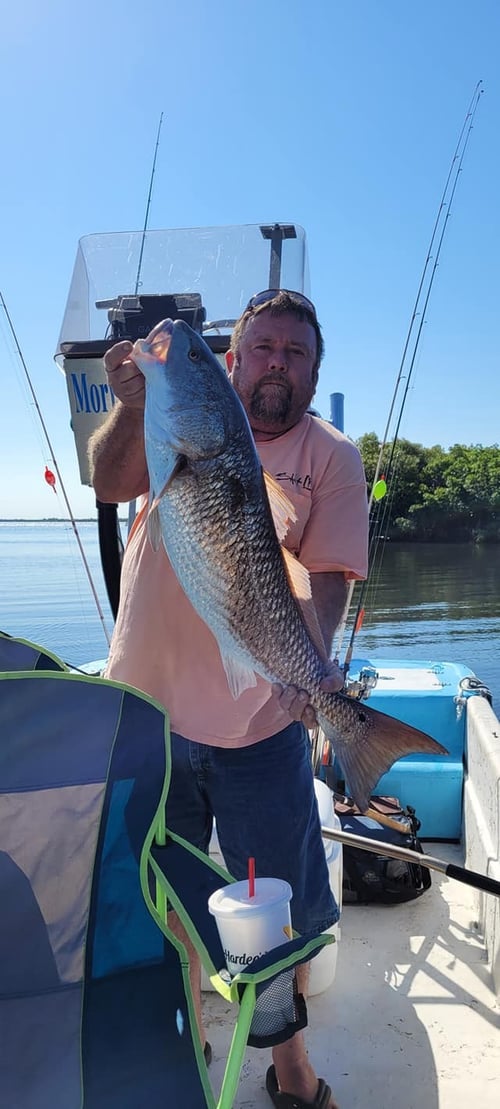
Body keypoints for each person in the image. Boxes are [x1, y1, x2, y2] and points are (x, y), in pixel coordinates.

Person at [89, 289, 369, 1109]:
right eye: (262, 348)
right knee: (160, 889)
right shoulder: (173, 417)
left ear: (314, 369)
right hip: (145, 711)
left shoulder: (330, 458)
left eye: (297, 351)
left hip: (261, 723)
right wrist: (132, 403)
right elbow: (109, 482)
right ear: (236, 358)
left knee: (267, 904)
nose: (278, 362)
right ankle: (187, 1030)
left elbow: (322, 587)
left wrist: (308, 679)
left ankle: (288, 1066)